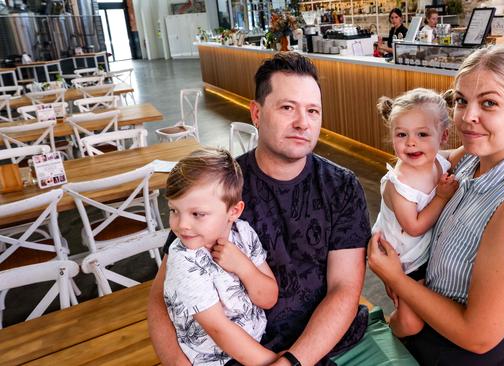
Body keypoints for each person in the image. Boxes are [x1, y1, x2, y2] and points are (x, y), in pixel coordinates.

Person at [148, 52, 372, 366]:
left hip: (323, 344)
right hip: (236, 350)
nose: (302, 123)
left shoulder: (342, 187)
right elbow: (161, 295)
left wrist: (292, 362)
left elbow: (344, 288)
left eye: (312, 111)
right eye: (287, 108)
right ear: (256, 112)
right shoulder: (219, 187)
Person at [368, 44, 504, 365]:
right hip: (424, 332)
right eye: (461, 100)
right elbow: (418, 163)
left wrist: (395, 278)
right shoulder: (473, 157)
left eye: (488, 103)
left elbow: (477, 337)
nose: (468, 117)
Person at [163, 149, 278, 365]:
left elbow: (269, 298)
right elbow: (219, 329)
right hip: (219, 360)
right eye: (174, 211)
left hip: (256, 344)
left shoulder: (243, 233)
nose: (181, 225)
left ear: (233, 212)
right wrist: (273, 362)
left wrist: (243, 266)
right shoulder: (184, 260)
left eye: (197, 214)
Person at [372, 88, 458, 337]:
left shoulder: (439, 162)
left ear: (443, 136)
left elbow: (465, 153)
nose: (411, 142)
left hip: (422, 254)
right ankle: (387, 335)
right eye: (402, 134)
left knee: (426, 315)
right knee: (411, 323)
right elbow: (414, 226)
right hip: (401, 259)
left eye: (422, 134)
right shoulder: (399, 183)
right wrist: (442, 196)